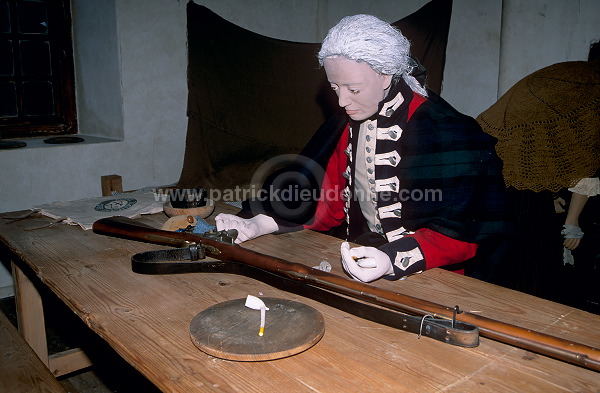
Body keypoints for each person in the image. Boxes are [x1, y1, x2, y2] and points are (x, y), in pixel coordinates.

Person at [215, 14, 509, 282]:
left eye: (353, 89)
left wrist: (391, 259)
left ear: (385, 76)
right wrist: (258, 224)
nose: (342, 101)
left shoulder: (450, 133)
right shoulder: (349, 121)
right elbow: (327, 202)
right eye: (335, 88)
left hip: (438, 276)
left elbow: (465, 235)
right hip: (360, 253)